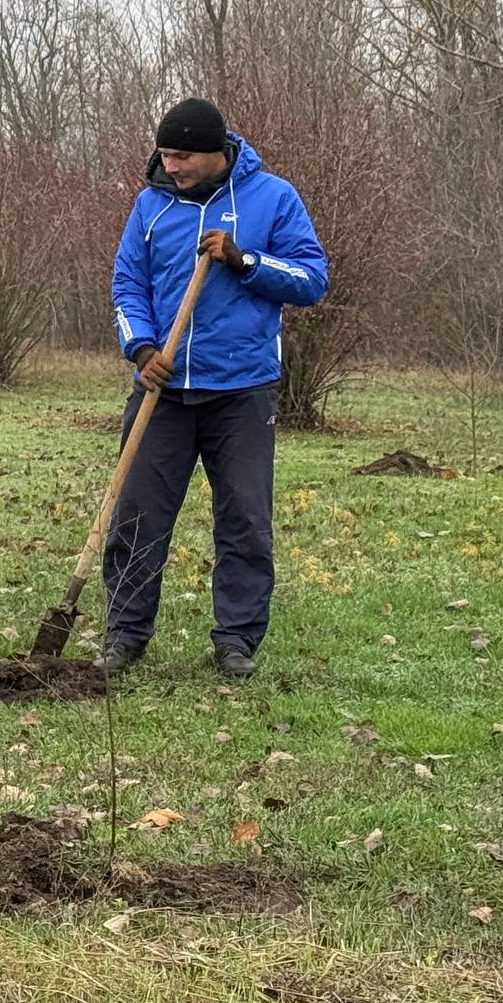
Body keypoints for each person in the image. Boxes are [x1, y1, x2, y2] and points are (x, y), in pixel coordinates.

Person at [101, 96, 328, 680]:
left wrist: (244, 259)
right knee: (137, 517)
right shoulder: (150, 206)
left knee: (245, 520)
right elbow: (127, 284)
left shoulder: (273, 198)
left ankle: (236, 642)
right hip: (164, 390)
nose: (169, 166)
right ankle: (124, 635)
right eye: (164, 155)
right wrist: (142, 348)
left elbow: (311, 280)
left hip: (241, 391)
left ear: (214, 152)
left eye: (180, 157)